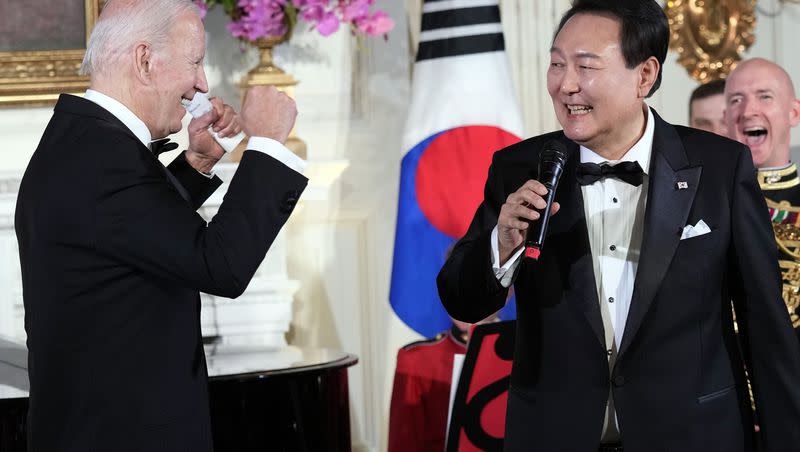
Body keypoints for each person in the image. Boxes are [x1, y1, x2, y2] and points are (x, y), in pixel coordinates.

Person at [437, 1, 800, 451]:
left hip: (694, 437)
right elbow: (460, 297)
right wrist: (501, 245)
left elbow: (765, 326)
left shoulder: (720, 167)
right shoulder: (518, 168)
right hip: (554, 437)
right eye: (556, 64)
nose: (565, 84)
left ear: (644, 76)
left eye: (585, 66)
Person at [14, 0, 307, 450]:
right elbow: (220, 266)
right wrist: (266, 144)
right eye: (195, 61)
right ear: (145, 61)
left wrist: (197, 165)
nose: (202, 83)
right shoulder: (103, 161)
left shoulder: (86, 143)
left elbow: (130, 232)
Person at [724, 57, 800, 342]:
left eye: (764, 97)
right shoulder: (700, 202)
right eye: (736, 100)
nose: (748, 110)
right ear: (725, 119)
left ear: (793, 113)